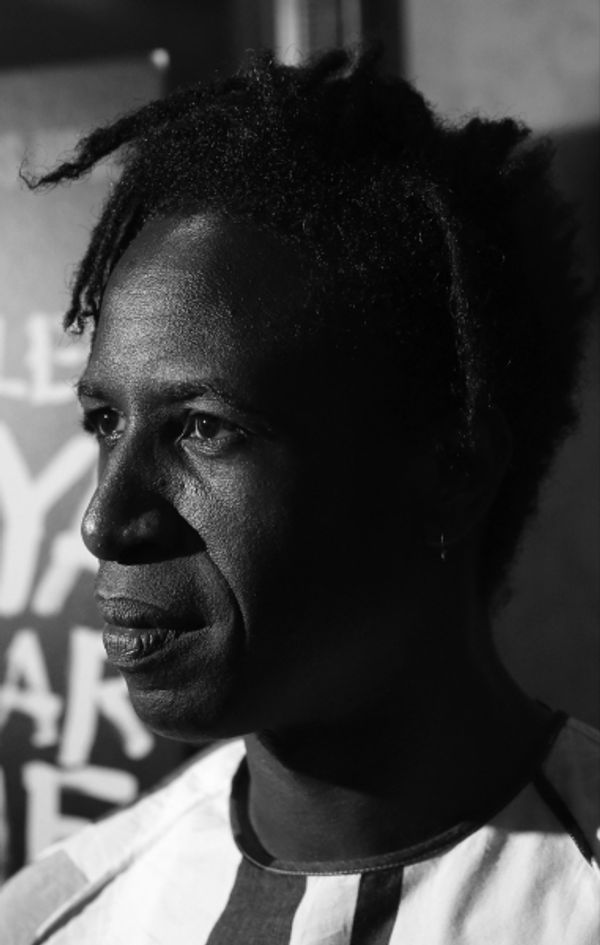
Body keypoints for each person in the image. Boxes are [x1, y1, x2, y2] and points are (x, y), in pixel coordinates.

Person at [1, 47, 598, 944]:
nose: (105, 520)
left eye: (205, 428)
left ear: (453, 472)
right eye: (103, 422)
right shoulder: (55, 919)